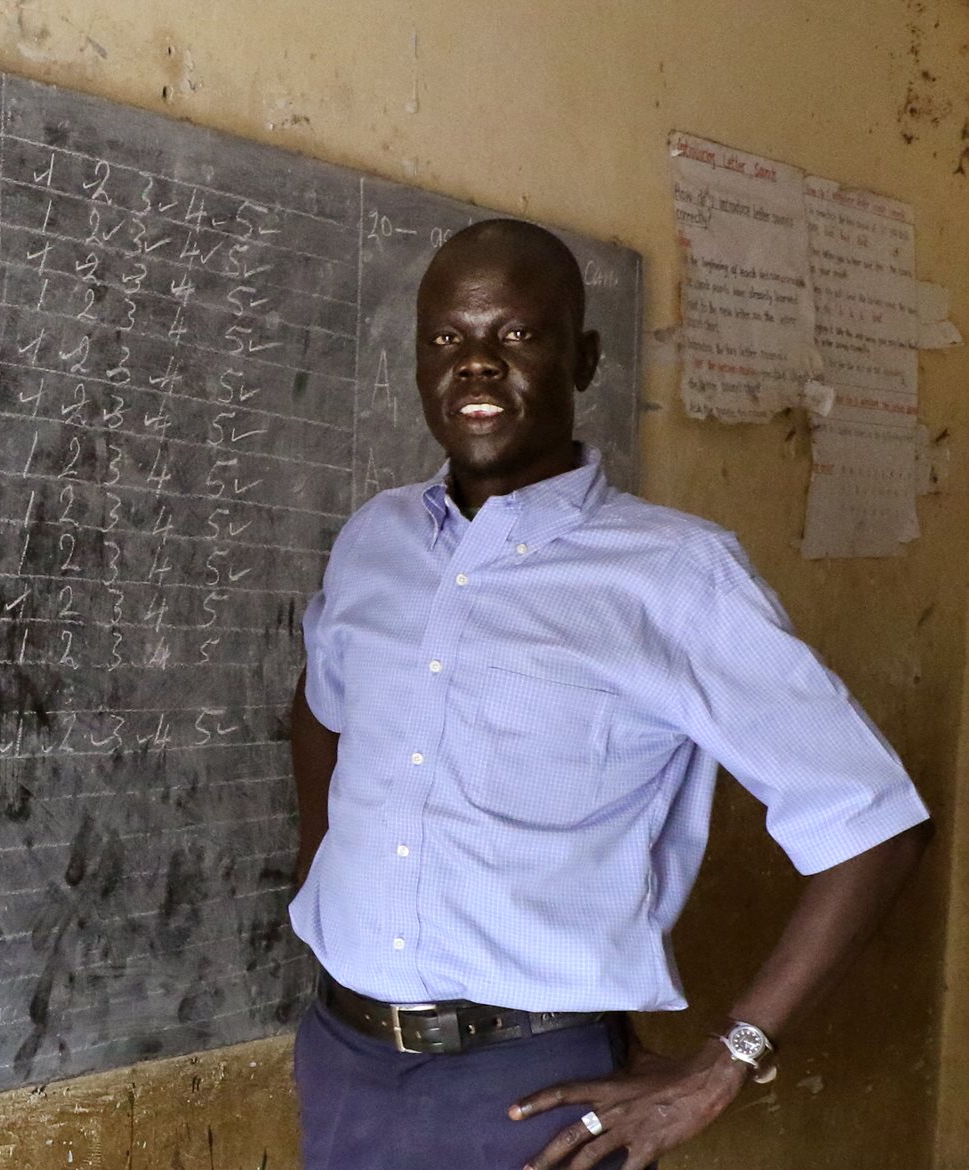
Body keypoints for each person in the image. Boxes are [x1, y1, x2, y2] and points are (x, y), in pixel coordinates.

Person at [287, 218, 931, 1170]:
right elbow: (319, 713)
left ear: (583, 359)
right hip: (345, 1061)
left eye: (516, 336)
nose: (474, 364)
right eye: (446, 339)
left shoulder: (674, 575)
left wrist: (727, 1060)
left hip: (532, 1099)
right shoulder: (374, 542)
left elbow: (875, 824)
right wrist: (331, 886)